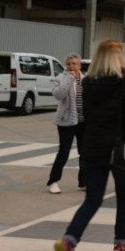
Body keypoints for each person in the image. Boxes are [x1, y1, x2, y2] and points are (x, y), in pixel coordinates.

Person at [53, 40, 125, 251]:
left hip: (93, 145)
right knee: (124, 195)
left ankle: (69, 241)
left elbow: (86, 115)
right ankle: (121, 243)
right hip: (119, 147)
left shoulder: (88, 83)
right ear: (119, 58)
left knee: (93, 198)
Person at [47, 53, 86, 194]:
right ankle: (53, 182)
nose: (71, 66)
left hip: (83, 121)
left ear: (79, 65)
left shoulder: (85, 79)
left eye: (74, 63)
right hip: (66, 121)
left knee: (85, 153)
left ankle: (83, 182)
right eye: (69, 64)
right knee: (64, 152)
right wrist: (70, 78)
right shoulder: (61, 78)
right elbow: (58, 95)